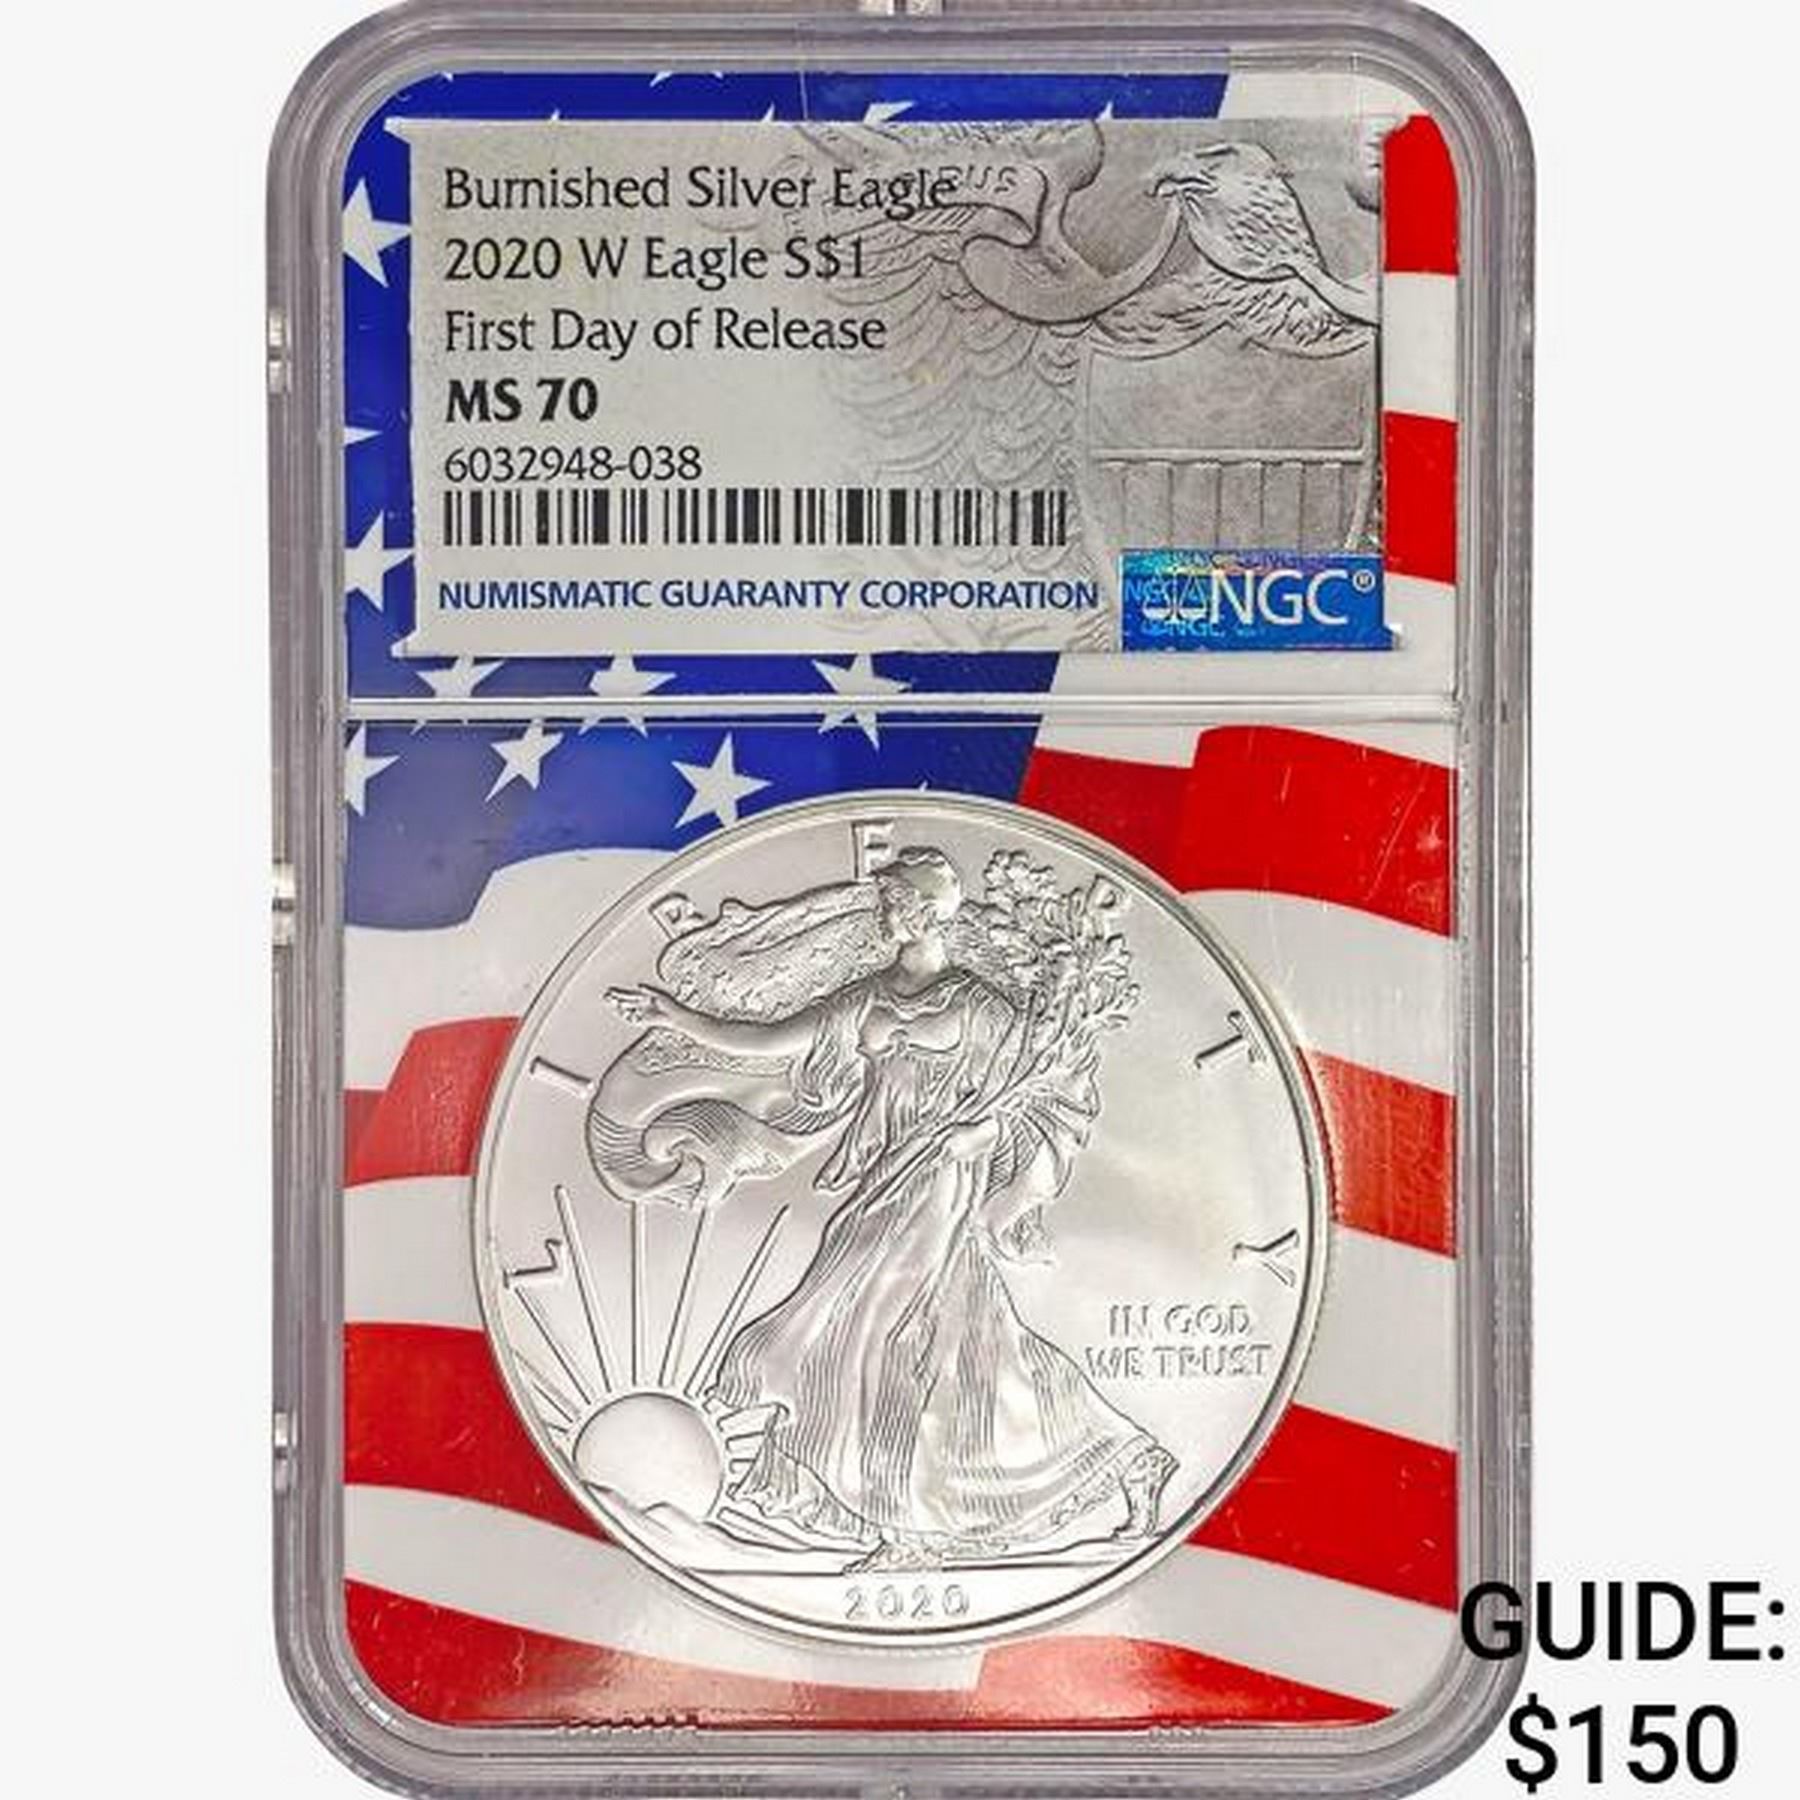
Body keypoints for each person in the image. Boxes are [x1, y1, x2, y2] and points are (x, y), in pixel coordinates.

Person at [609, 847, 1174, 1570]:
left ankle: (911, 1529)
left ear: (929, 912)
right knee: (969, 1342)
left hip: (944, 1179)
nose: (885, 910)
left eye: (897, 900)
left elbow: (1042, 1092)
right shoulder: (868, 997)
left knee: (881, 1329)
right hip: (885, 1174)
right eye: (887, 898)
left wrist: (983, 1132)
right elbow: (771, 1042)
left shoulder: (978, 1007)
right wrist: (678, 1016)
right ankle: (1126, 1458)